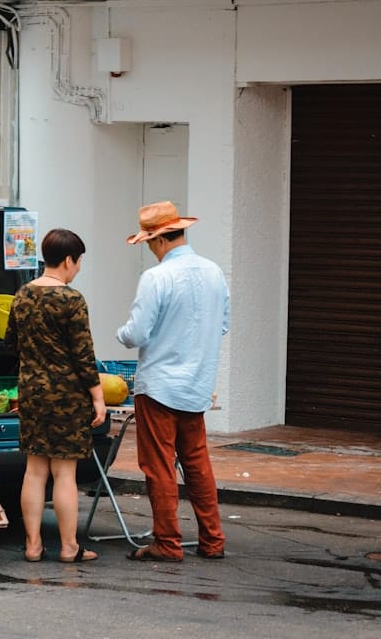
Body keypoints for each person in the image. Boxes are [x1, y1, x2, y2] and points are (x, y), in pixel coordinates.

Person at [116, 201, 230, 562]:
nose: (151, 250)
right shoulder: (214, 272)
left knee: (159, 465)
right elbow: (223, 324)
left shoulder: (156, 277)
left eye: (150, 243)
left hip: (159, 385)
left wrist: (120, 333)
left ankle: (167, 543)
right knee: (197, 463)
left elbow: (137, 333)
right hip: (197, 384)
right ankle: (213, 540)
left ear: (160, 239)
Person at [4, 228, 107, 563]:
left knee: (34, 471)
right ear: (68, 260)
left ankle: (33, 545)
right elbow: (83, 355)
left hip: (31, 392)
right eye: (79, 262)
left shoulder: (22, 295)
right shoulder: (72, 300)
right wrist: (98, 397)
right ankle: (69, 546)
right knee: (64, 473)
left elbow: (10, 344)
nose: (78, 268)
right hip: (67, 395)